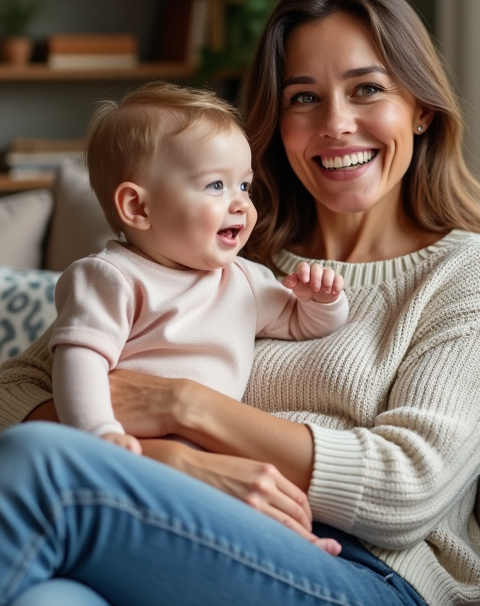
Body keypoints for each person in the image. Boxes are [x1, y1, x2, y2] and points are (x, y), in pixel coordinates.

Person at [0, 0, 480, 606]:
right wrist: (171, 462)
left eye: (367, 89)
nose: (336, 124)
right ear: (276, 123)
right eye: (303, 98)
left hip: (366, 578)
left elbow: (407, 492)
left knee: (44, 463)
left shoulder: (470, 271)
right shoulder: (207, 250)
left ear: (422, 108)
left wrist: (185, 407)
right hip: (193, 533)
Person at [49, 82, 347, 456]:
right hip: (128, 449)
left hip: (213, 455)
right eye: (216, 185)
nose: (240, 203)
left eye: (245, 185)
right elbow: (80, 362)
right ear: (138, 208)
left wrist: (321, 300)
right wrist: (98, 432)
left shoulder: (245, 281)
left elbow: (305, 324)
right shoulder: (111, 278)